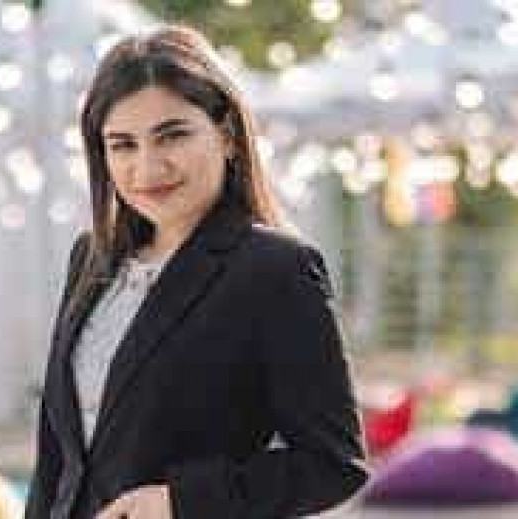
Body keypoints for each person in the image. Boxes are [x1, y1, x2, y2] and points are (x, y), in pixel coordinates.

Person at [25, 24, 369, 519]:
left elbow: (332, 465)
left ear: (226, 135)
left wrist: (181, 501)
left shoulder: (275, 270)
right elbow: (56, 458)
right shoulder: (91, 258)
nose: (148, 168)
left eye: (173, 136)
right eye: (123, 145)